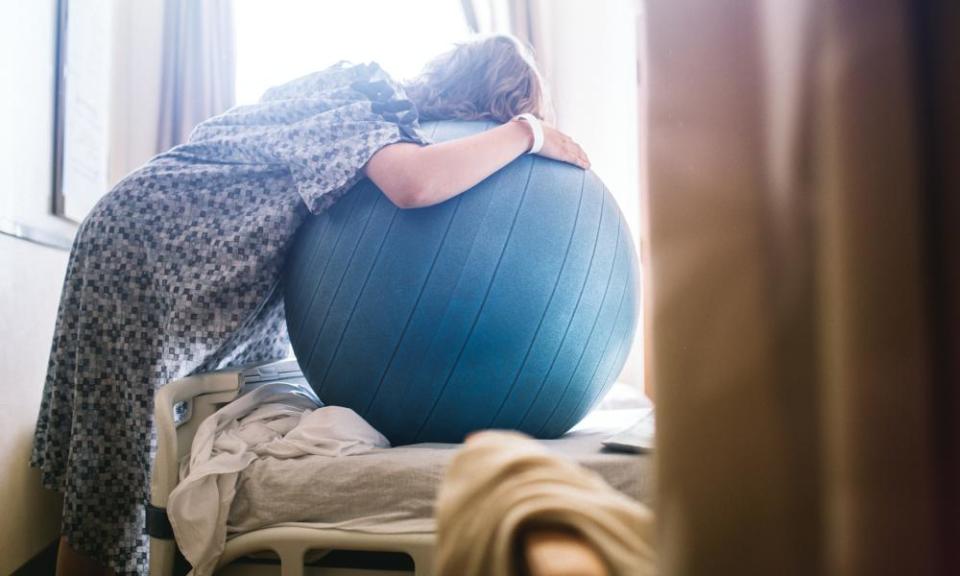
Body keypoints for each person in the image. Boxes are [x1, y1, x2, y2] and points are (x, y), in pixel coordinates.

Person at [33, 34, 590, 575]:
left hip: (167, 243)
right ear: (485, 102)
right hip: (149, 244)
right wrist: (528, 133)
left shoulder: (370, 109)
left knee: (127, 449)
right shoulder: (363, 98)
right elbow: (413, 186)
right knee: (122, 461)